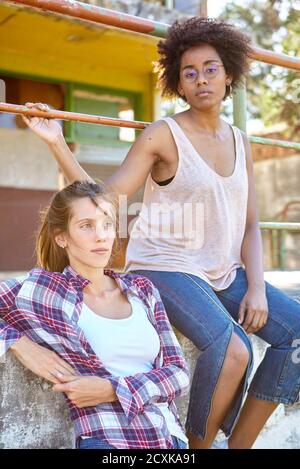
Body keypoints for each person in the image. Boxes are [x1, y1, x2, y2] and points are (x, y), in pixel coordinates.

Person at [23, 17, 300, 449]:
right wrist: (58, 143)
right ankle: (196, 447)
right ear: (178, 83)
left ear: (229, 74)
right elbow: (104, 199)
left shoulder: (241, 141)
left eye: (210, 68)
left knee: (296, 334)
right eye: (189, 73)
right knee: (233, 349)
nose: (201, 79)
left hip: (224, 271)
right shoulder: (162, 135)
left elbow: (249, 222)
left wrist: (258, 287)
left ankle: (240, 445)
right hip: (164, 265)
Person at [0, 180, 190, 449]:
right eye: (86, 226)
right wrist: (21, 345)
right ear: (61, 236)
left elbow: (179, 374)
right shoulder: (45, 290)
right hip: (106, 439)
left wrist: (112, 390)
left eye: (107, 224)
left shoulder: (142, 290)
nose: (101, 236)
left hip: (168, 439)